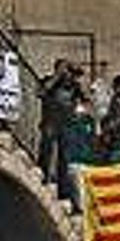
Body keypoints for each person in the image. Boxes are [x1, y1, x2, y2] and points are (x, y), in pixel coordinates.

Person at [38, 59, 84, 200]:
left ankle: (63, 191)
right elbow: (40, 92)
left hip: (67, 125)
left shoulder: (74, 85)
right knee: (47, 151)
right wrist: (57, 75)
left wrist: (79, 84)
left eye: (69, 71)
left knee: (64, 159)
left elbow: (86, 99)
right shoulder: (49, 80)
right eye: (67, 70)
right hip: (50, 122)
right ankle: (43, 176)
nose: (69, 74)